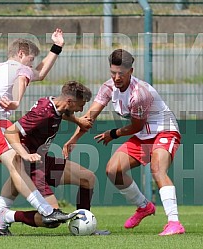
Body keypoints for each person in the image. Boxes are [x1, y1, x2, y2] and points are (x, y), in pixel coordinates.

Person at [63, 49, 185, 236]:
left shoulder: (139, 94)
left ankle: (174, 223)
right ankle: (144, 206)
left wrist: (114, 133)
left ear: (131, 71)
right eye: (113, 72)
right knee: (113, 170)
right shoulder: (108, 87)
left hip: (164, 130)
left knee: (157, 169)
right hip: (144, 134)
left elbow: (136, 126)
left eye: (121, 73)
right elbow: (89, 117)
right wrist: (73, 140)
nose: (116, 77)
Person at [0, 29, 76, 229]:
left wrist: (57, 47)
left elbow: (39, 73)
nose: (31, 64)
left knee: (17, 165)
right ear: (20, 54)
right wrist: (16, 101)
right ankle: (47, 211)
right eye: (30, 59)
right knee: (18, 165)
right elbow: (28, 76)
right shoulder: (19, 68)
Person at [0, 81, 111, 236]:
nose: (81, 109)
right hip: (31, 165)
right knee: (52, 219)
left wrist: (78, 121)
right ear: (70, 101)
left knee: (87, 178)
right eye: (81, 105)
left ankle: (86, 227)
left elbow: (63, 113)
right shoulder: (42, 112)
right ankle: (7, 217)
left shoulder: (54, 105)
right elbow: (11, 132)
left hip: (43, 160)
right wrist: (25, 155)